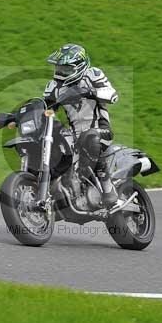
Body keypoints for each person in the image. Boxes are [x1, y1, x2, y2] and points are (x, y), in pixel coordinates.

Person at [43, 44, 119, 207]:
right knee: (52, 143)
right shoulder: (55, 86)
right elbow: (46, 108)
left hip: (100, 129)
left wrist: (88, 92)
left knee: (90, 138)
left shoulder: (93, 75)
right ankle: (55, 191)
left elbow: (113, 95)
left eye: (66, 69)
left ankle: (108, 189)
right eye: (59, 68)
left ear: (79, 66)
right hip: (74, 133)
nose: (60, 72)